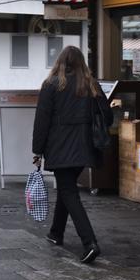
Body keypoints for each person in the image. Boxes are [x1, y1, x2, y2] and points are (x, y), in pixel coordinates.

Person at [32, 45, 112, 264]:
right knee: (66, 189)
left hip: (59, 147)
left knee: (68, 192)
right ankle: (56, 233)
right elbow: (108, 115)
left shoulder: (51, 85)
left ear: (60, 62)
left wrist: (37, 150)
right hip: (85, 148)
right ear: (81, 63)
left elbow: (42, 121)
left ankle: (90, 243)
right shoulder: (91, 85)